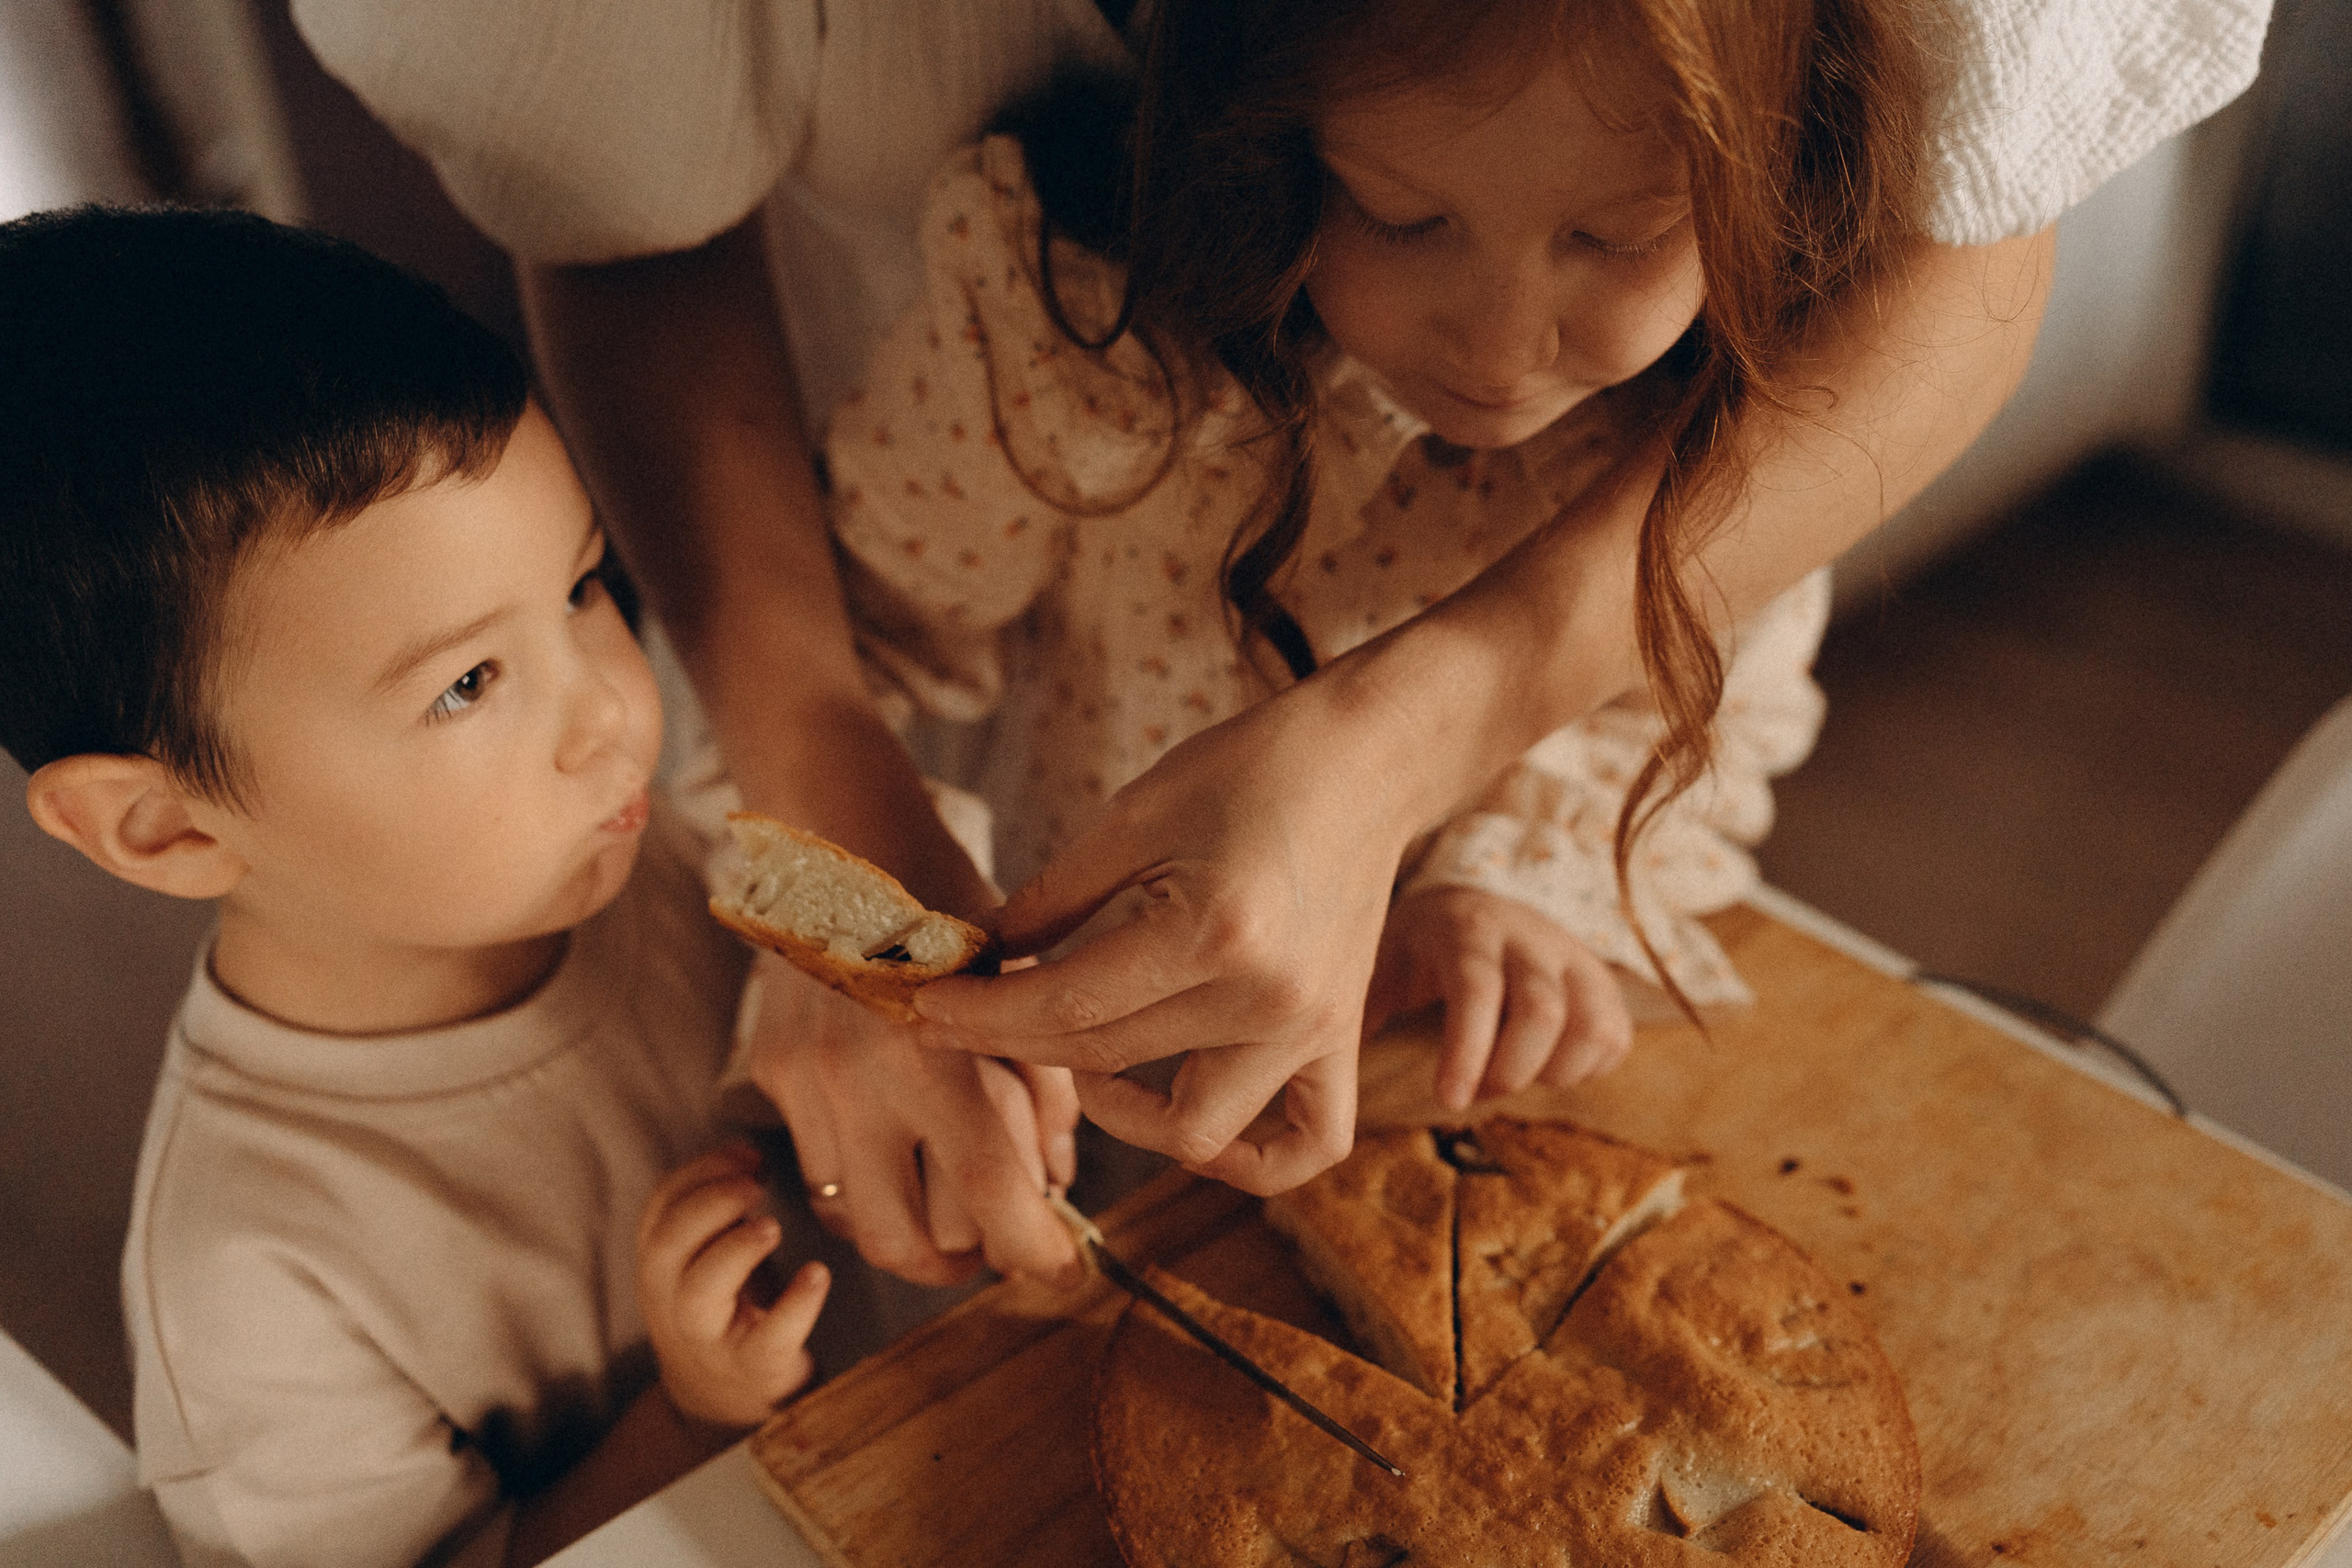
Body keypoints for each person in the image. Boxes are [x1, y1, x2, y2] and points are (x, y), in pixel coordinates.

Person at [291, 0, 2270, 1270]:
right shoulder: (1059, 350)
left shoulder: (1700, 421)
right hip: (1078, 1119)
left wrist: (1516, 885)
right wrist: (860, 921)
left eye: (1614, 240)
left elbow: (1699, 710)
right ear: (1260, 134)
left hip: (1457, 1106)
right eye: (1399, 215)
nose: (1500, 348)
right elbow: (840, 664)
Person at [0, 207, 850, 1568]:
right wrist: (685, 1420)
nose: (613, 714)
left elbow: (815, 921)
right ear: (164, 828)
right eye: (467, 684)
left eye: (582, 587)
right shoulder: (249, 1281)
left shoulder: (607, 848)